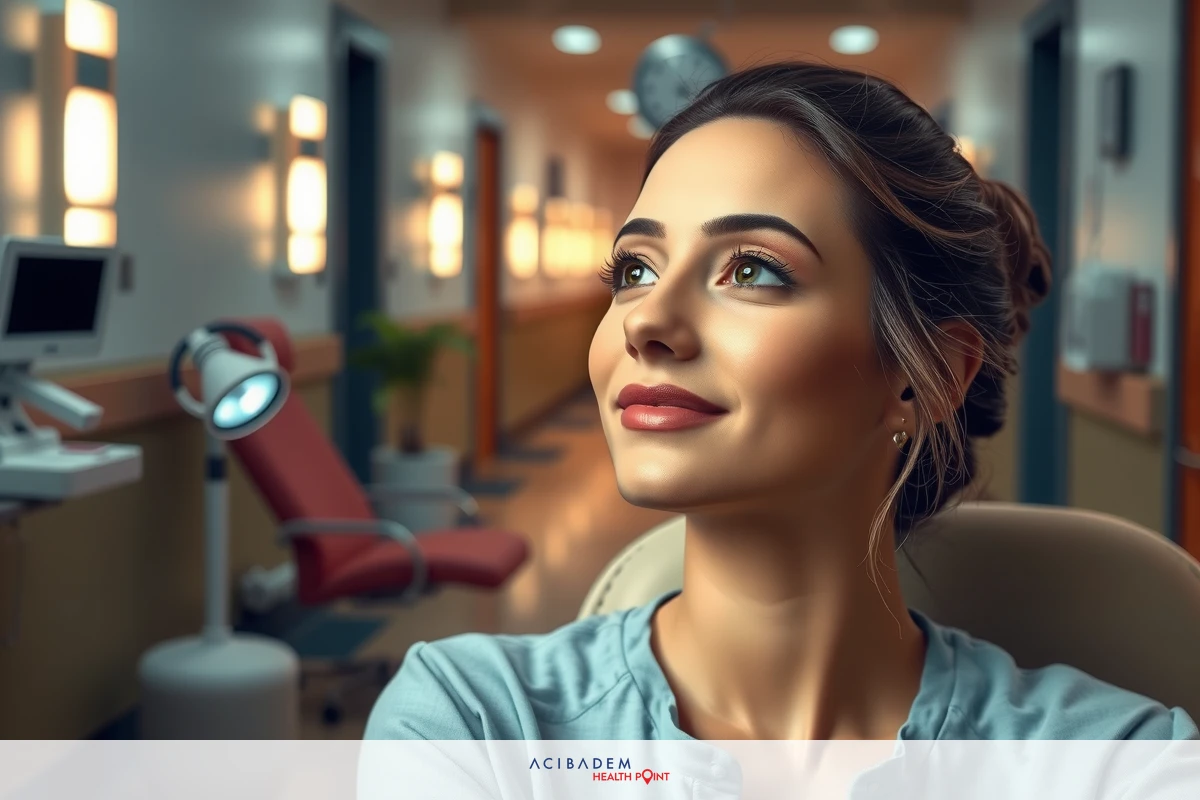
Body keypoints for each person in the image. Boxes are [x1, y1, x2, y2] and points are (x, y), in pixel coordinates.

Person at [365, 62, 1199, 741]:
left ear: (930, 374)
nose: (646, 320)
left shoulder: (1115, 760)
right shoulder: (476, 723)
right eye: (634, 270)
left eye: (752, 269)